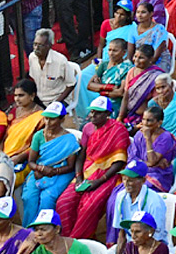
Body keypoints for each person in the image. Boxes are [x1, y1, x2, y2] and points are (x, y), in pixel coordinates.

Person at [54, 97, 130, 240]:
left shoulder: (118, 129)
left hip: (108, 175)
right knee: (63, 202)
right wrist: (78, 177)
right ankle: (66, 239)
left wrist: (99, 181)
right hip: (87, 172)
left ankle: (79, 240)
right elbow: (81, 155)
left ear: (107, 114)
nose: (93, 116)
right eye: (92, 112)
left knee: (89, 205)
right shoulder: (88, 128)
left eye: (98, 113)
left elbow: (119, 162)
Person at [22, 102, 82, 219]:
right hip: (40, 171)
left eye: (52, 119)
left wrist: (54, 171)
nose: (48, 123)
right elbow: (31, 161)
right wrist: (40, 169)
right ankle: (29, 231)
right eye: (46, 118)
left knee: (47, 198)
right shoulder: (39, 136)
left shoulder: (69, 139)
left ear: (61, 119)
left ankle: (45, 229)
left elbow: (70, 166)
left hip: (61, 173)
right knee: (29, 197)